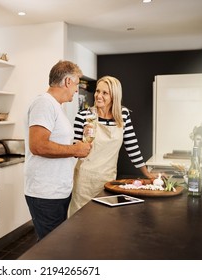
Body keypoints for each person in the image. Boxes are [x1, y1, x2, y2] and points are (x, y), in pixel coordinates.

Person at [24, 60, 92, 240]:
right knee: (51, 250)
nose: (76, 90)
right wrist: (75, 150)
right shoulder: (44, 104)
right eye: (77, 84)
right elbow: (38, 145)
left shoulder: (55, 107)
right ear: (68, 82)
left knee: (56, 247)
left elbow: (57, 144)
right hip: (45, 193)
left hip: (57, 191)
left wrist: (78, 144)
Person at [68, 75, 154, 217]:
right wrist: (84, 139)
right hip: (84, 180)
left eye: (104, 93)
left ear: (114, 96)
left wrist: (147, 173)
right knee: (81, 221)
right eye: (97, 91)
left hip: (108, 179)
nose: (98, 96)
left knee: (104, 220)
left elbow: (132, 146)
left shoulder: (123, 115)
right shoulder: (84, 115)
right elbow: (75, 151)